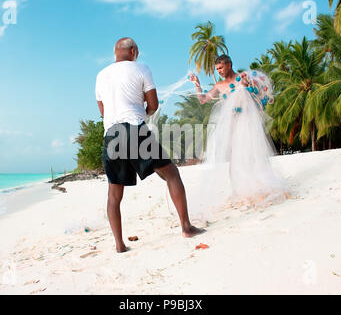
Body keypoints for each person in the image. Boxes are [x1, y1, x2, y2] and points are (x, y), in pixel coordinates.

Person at [96, 37, 205, 253]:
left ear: (115, 52)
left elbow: (103, 112)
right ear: (134, 51)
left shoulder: (101, 75)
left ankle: (119, 245)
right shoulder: (141, 68)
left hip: (111, 134)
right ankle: (186, 227)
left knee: (114, 194)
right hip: (134, 128)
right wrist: (141, 114)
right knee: (171, 173)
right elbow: (153, 104)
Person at [188, 55, 288, 220]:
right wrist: (197, 84)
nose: (219, 71)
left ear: (229, 64)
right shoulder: (219, 85)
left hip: (248, 120)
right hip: (232, 124)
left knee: (253, 153)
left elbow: (253, 94)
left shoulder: (243, 78)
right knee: (235, 157)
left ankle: (260, 185)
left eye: (221, 68)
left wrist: (246, 85)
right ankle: (239, 191)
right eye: (217, 69)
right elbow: (203, 99)